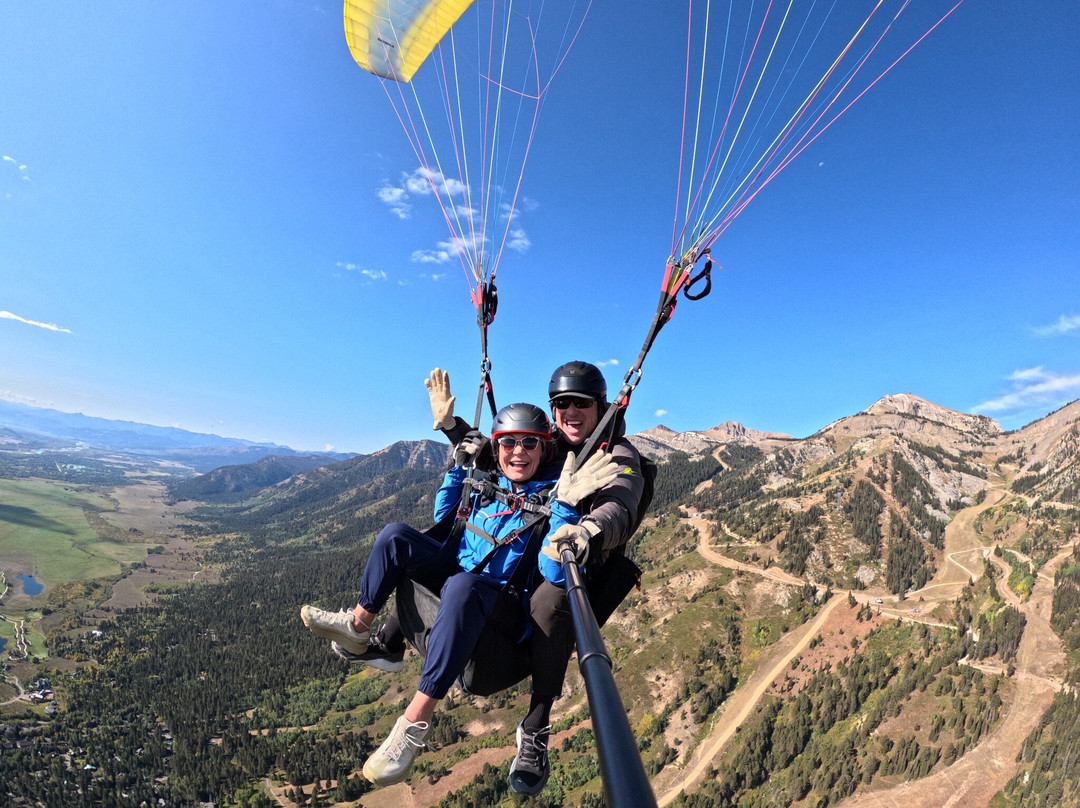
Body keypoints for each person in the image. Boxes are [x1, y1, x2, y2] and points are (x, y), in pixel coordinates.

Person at [299, 402, 618, 787]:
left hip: (499, 611)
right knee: (394, 535)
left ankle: (414, 722)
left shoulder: (553, 497)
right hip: (457, 591)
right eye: (509, 443)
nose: (518, 452)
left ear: (544, 448)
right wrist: (459, 469)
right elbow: (445, 518)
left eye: (530, 444)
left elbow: (553, 572)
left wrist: (565, 509)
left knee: (462, 585)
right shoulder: (490, 485)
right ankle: (359, 625)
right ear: (496, 448)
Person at [428, 362, 647, 795]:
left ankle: (535, 727)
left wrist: (588, 531)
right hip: (524, 569)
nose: (569, 411)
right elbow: (503, 454)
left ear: (601, 406)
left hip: (575, 568)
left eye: (580, 403)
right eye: (560, 403)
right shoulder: (551, 449)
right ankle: (389, 635)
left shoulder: (618, 456)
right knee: (446, 554)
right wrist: (452, 427)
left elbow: (619, 505)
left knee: (552, 598)